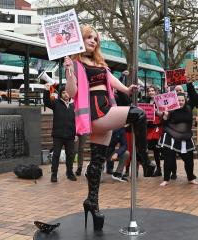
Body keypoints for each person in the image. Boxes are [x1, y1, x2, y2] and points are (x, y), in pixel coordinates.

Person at [64, 25, 155, 231]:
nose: (93, 41)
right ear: (81, 39)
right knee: (138, 114)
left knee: (97, 160)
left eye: (95, 39)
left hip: (105, 105)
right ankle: (143, 158)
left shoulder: (98, 62)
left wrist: (125, 88)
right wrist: (69, 70)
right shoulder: (75, 63)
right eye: (89, 37)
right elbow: (72, 92)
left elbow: (109, 79)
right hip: (96, 110)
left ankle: (92, 204)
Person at [158, 92, 198, 186]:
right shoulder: (170, 109)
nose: (180, 102)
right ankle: (166, 179)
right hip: (170, 137)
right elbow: (163, 123)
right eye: (179, 100)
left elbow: (194, 97)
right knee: (168, 160)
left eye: (182, 100)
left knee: (189, 160)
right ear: (175, 100)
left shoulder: (189, 108)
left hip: (186, 138)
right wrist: (165, 116)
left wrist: (197, 121)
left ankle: (190, 178)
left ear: (185, 100)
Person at [43, 84, 77, 182]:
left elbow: (76, 121)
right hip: (58, 135)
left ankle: (69, 173)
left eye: (67, 92)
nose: (66, 94)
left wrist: (75, 134)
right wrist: (46, 90)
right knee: (56, 155)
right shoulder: (56, 103)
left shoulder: (73, 105)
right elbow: (46, 101)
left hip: (70, 135)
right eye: (63, 92)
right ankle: (54, 174)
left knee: (70, 155)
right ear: (60, 94)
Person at [142, 85, 163, 177]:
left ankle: (159, 169)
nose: (151, 92)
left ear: (156, 91)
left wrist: (155, 110)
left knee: (156, 149)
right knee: (151, 148)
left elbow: (162, 114)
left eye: (152, 90)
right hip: (149, 127)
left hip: (157, 127)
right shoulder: (145, 101)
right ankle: (155, 167)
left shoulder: (159, 101)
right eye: (149, 91)